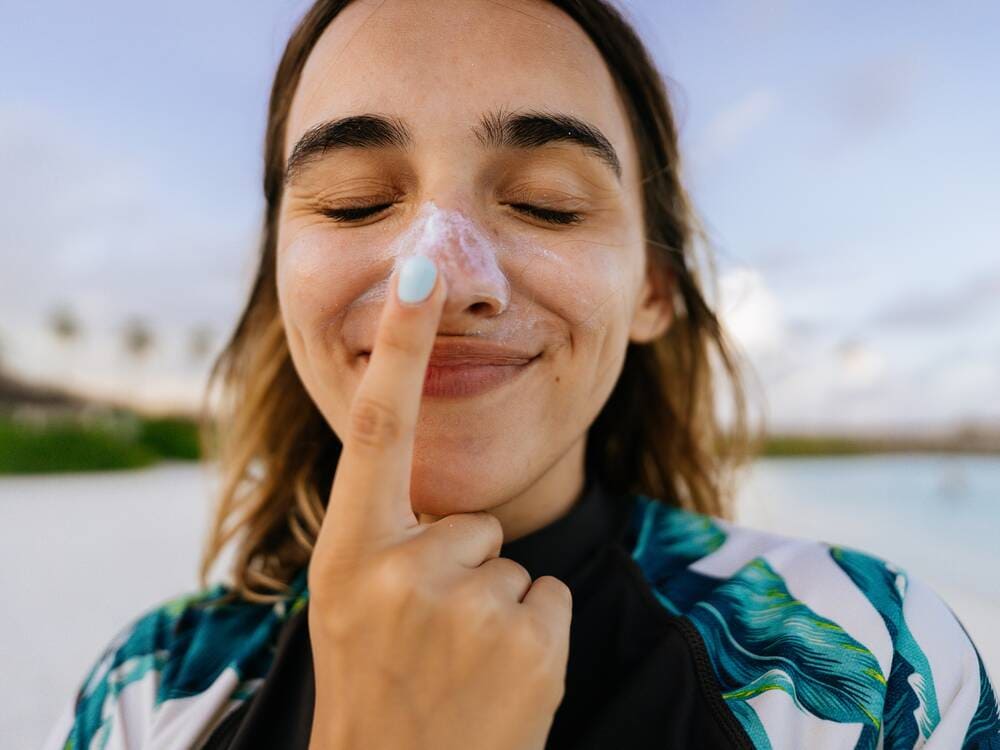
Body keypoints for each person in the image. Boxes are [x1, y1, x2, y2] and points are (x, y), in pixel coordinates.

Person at [44, 1, 1000, 748]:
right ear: (276, 288)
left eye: (547, 206)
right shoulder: (147, 690)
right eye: (354, 202)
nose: (448, 277)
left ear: (652, 290)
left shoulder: (875, 667)